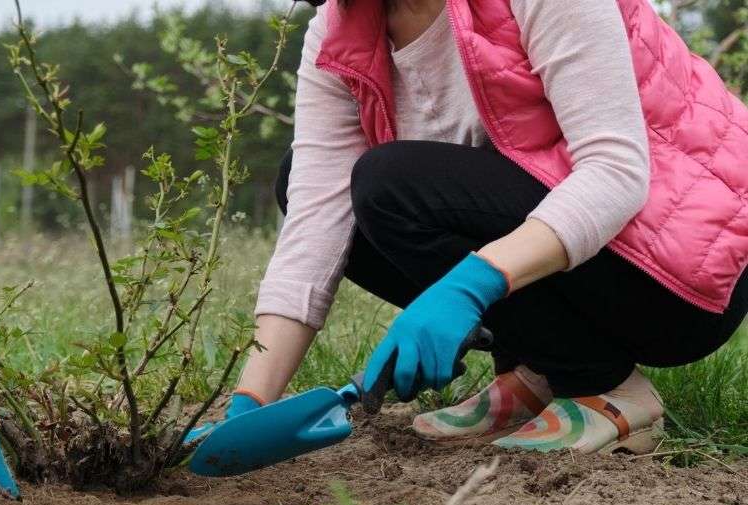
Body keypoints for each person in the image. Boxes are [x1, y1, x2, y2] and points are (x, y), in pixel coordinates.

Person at [191, 0, 748, 454]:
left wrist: (467, 286)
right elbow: (316, 217)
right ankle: (539, 374)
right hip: (583, 252)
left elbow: (616, 173)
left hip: (684, 274)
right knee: (313, 184)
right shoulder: (341, 28)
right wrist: (252, 402)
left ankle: (605, 385)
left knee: (390, 184)